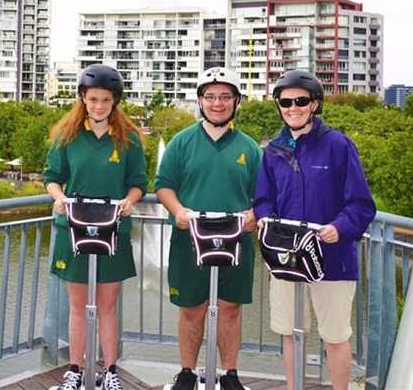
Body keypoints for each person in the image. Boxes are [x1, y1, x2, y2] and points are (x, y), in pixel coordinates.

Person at [253, 70, 376, 390]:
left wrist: (340, 227)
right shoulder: (272, 149)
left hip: (332, 259)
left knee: (335, 336)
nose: (293, 107)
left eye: (301, 101)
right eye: (285, 102)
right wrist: (265, 218)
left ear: (315, 104)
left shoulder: (338, 145)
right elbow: (263, 199)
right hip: (285, 259)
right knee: (291, 332)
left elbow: (362, 204)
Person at [155, 67, 261, 390]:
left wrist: (253, 215)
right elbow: (163, 186)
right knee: (191, 308)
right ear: (200, 100)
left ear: (236, 101)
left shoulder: (250, 148)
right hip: (191, 238)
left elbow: (265, 197)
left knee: (230, 308)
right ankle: (187, 372)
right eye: (211, 96)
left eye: (225, 97)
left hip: (236, 239)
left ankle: (229, 374)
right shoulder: (182, 142)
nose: (218, 103)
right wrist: (178, 210)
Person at [44, 64, 147, 390]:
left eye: (105, 100)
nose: (99, 106)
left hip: (112, 228)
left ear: (114, 101)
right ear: (82, 99)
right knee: (77, 305)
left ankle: (111, 370)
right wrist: (59, 197)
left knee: (107, 304)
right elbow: (52, 177)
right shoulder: (67, 136)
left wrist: (130, 200)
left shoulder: (128, 139)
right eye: (92, 99)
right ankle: (75, 368)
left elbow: (138, 183)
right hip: (73, 227)